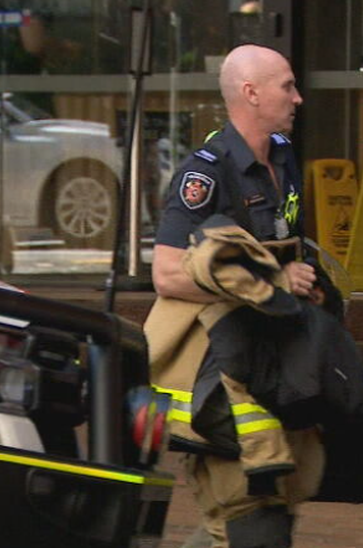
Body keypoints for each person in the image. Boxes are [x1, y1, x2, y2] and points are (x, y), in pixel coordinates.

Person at [152, 44, 318, 547]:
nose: (299, 98)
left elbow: (282, 243)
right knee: (246, 515)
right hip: (216, 373)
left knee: (264, 509)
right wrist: (269, 282)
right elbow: (166, 274)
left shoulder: (283, 155)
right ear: (251, 93)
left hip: (270, 360)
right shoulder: (206, 173)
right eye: (287, 86)